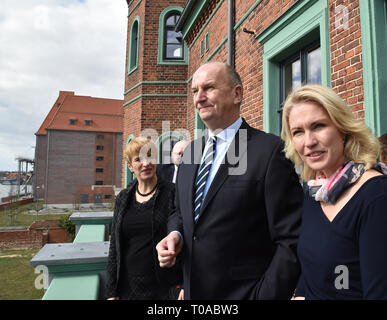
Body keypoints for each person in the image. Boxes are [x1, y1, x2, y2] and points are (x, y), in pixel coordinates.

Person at [156, 61, 304, 300]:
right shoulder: (191, 153)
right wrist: (176, 235)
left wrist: (265, 296)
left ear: (237, 94)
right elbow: (179, 212)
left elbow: (291, 238)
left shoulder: (269, 151)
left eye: (209, 88)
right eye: (195, 91)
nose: (199, 97)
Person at [281, 84, 387, 299]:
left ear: (343, 129)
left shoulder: (376, 195)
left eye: (318, 126)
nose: (309, 142)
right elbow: (311, 273)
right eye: (298, 132)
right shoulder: (314, 192)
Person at [106, 137, 181, 300]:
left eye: (149, 156)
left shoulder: (172, 193)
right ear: (130, 166)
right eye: (139, 159)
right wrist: (111, 292)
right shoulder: (123, 198)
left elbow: (185, 236)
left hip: (164, 289)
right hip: (128, 288)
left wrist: (183, 285)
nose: (146, 163)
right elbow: (115, 247)